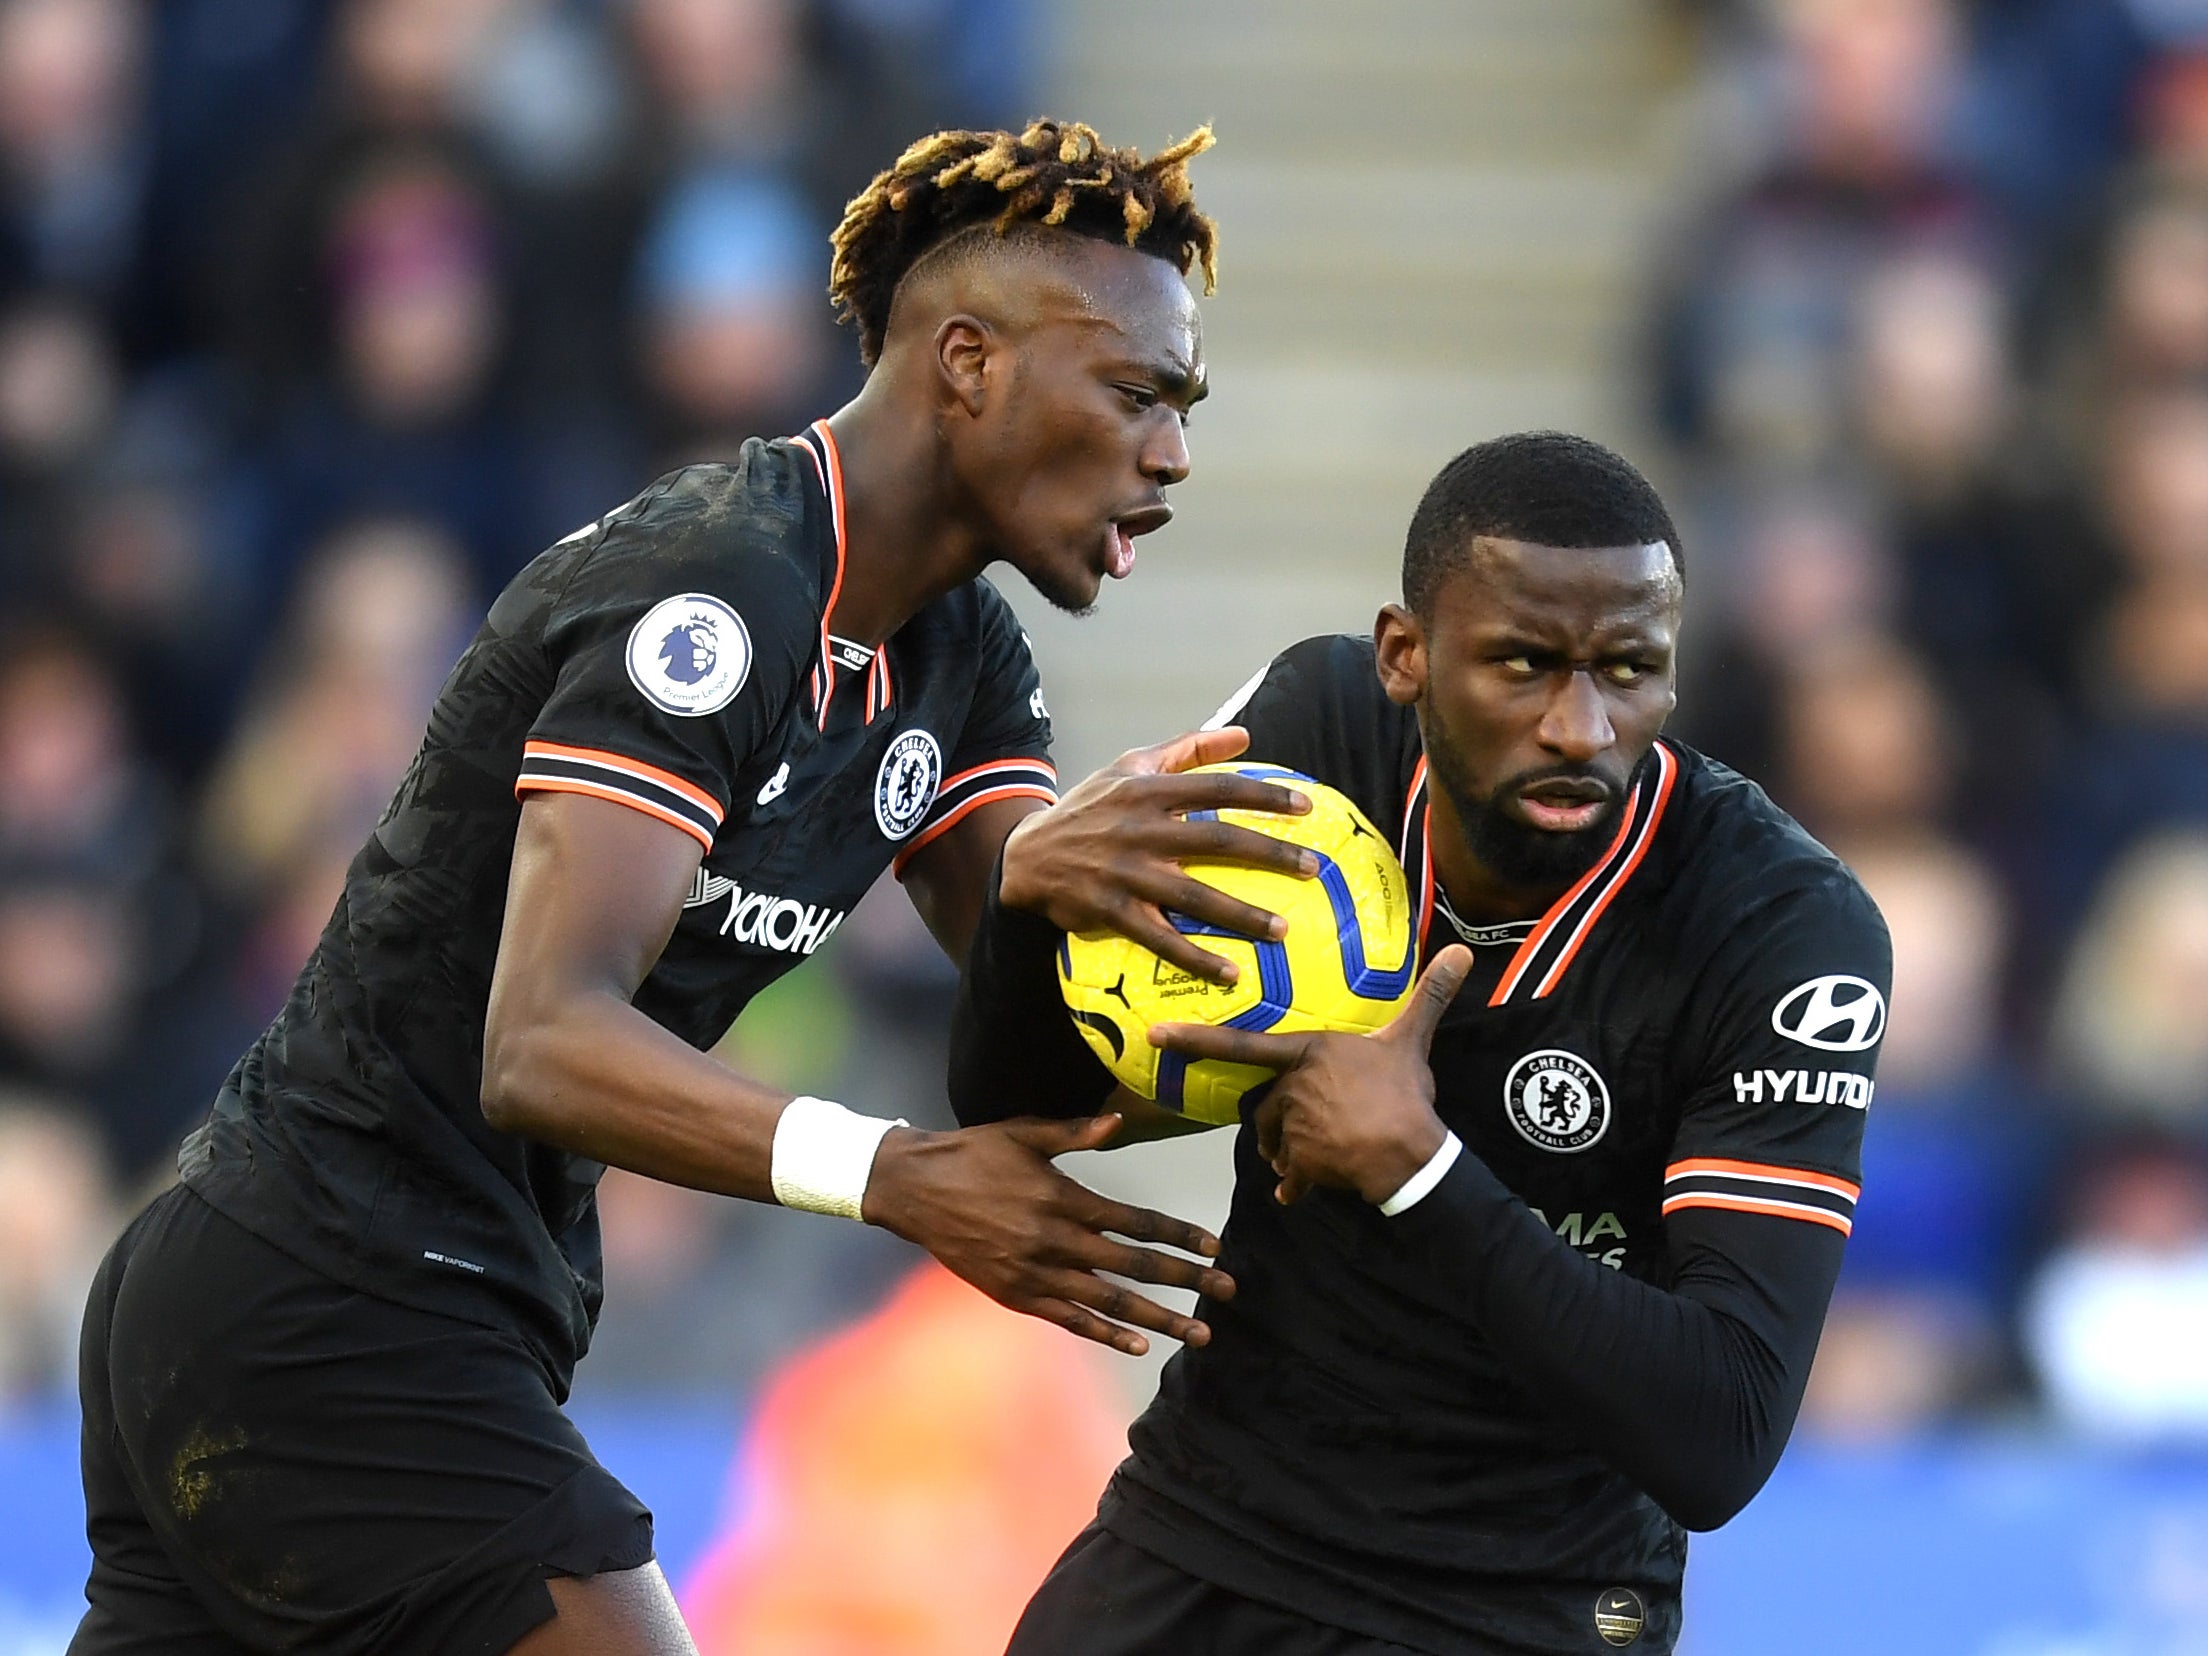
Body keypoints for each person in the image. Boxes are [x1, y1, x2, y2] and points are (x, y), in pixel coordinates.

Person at [69, 118, 1320, 1656]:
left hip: (393, 1307)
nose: (1174, 451)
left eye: (1183, 408)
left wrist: (1279, 1004)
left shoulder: (962, 665)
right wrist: (896, 1176)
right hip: (330, 1283)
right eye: (1136, 392)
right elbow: (542, 1042)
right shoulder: (722, 581)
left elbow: (1036, 1040)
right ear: (971, 364)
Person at [954, 432, 1894, 1655]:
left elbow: (1720, 1436)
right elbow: (1016, 1105)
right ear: (1406, 655)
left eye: (1630, 671)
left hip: (1528, 1608)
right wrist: (1026, 900)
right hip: (1207, 1531)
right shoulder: (1313, 740)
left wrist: (1421, 1172)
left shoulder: (1781, 930)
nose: (1579, 724)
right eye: (1524, 665)